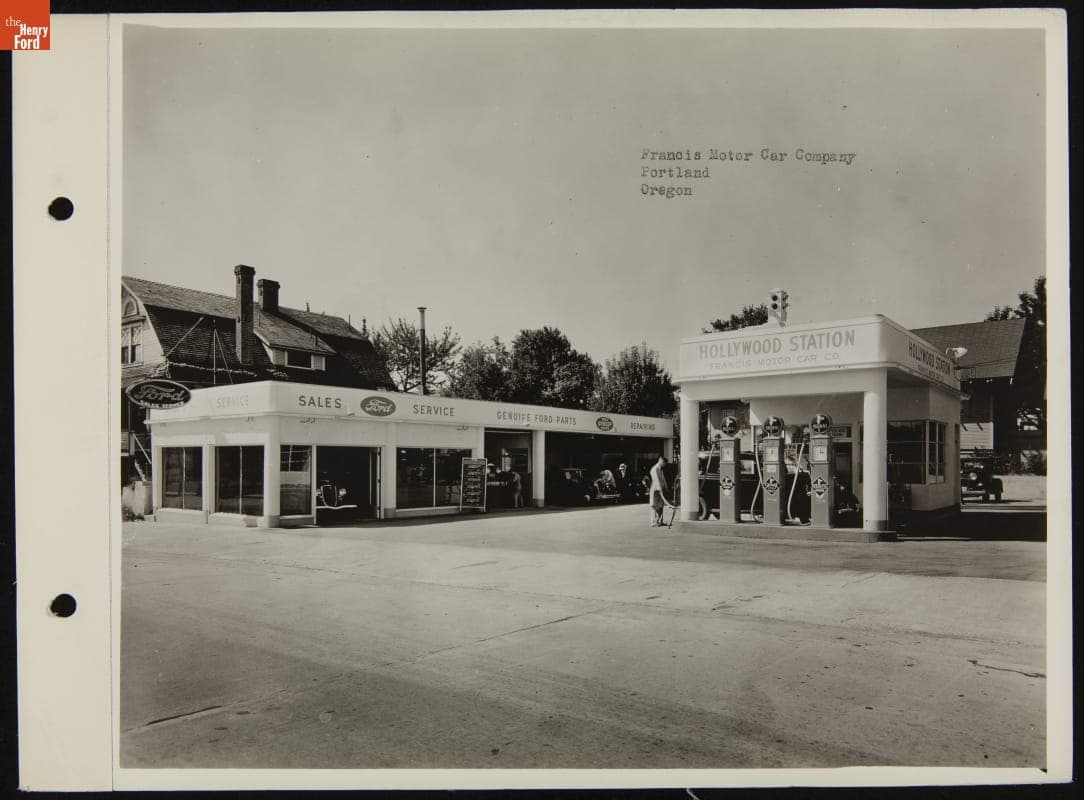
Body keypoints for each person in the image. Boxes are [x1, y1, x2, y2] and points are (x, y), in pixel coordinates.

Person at [648, 455, 669, 527]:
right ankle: (653, 522)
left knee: (661, 506)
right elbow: (656, 480)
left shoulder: (660, 469)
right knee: (654, 506)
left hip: (660, 490)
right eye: (664, 463)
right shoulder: (655, 469)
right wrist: (660, 489)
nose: (664, 465)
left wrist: (666, 488)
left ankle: (660, 521)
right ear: (660, 461)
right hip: (655, 490)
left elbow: (663, 479)